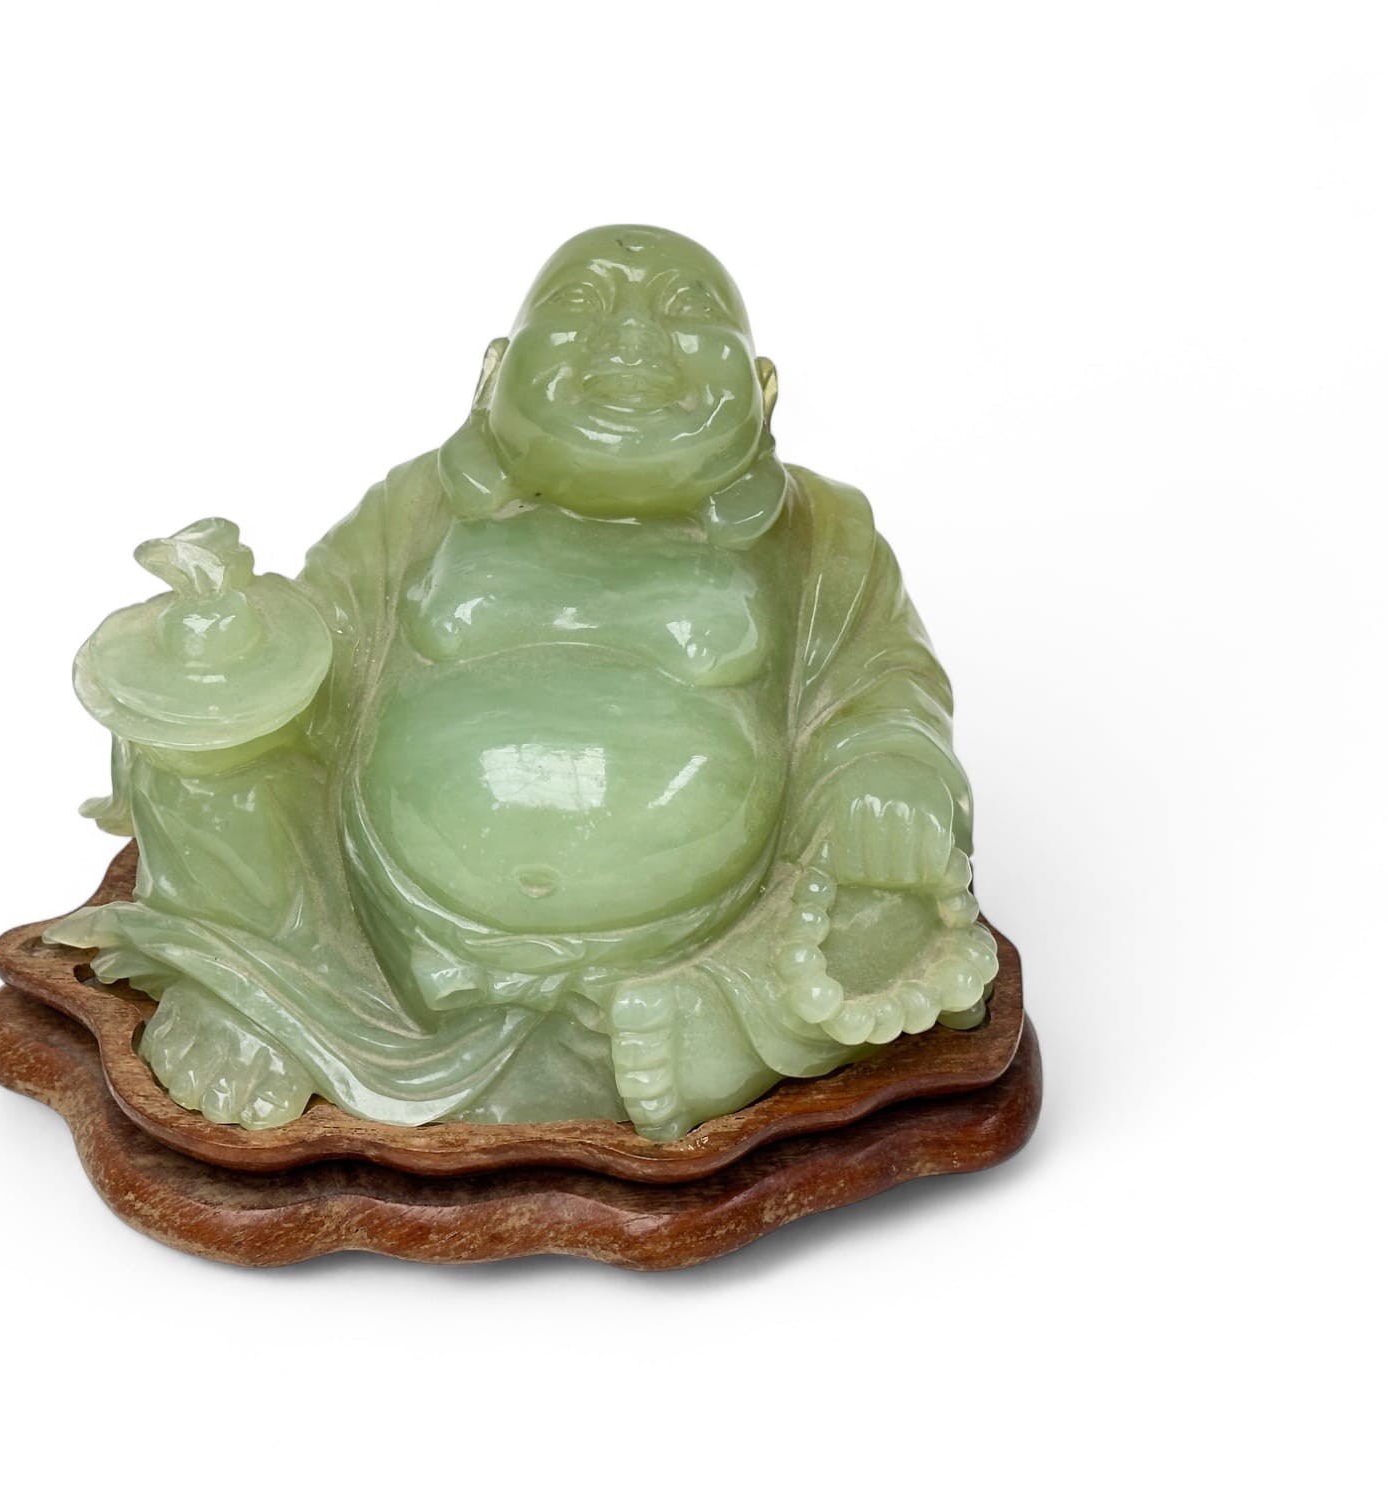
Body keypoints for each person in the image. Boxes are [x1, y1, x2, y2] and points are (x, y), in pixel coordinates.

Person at [49, 226, 997, 1140]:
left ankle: (717, 1024)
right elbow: (314, 651)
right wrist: (227, 640)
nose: (632, 338)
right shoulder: (416, 505)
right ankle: (261, 991)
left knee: (893, 892)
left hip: (704, 935)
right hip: (375, 922)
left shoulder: (822, 533)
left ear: (763, 390)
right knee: (197, 738)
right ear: (492, 373)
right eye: (582, 304)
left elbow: (883, 687)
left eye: (684, 311)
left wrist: (891, 767)